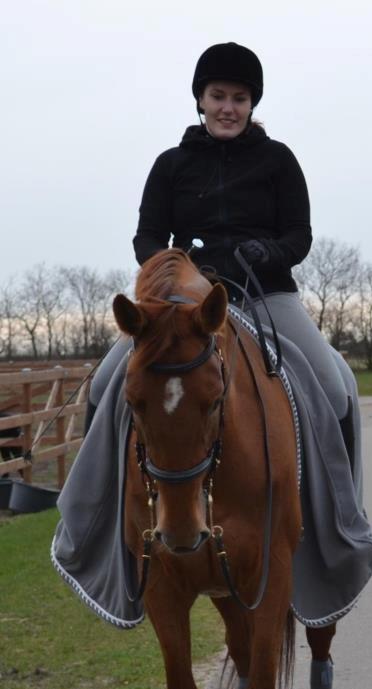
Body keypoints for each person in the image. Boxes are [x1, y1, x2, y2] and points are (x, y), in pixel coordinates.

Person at [88, 41, 350, 426]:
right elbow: (146, 238)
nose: (228, 108)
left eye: (239, 99)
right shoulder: (170, 165)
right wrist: (176, 265)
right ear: (201, 99)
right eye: (218, 96)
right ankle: (97, 488)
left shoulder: (278, 160)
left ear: (251, 105)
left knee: (334, 387)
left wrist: (268, 252)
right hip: (185, 302)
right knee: (102, 385)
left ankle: (336, 489)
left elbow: (299, 235)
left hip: (266, 293)